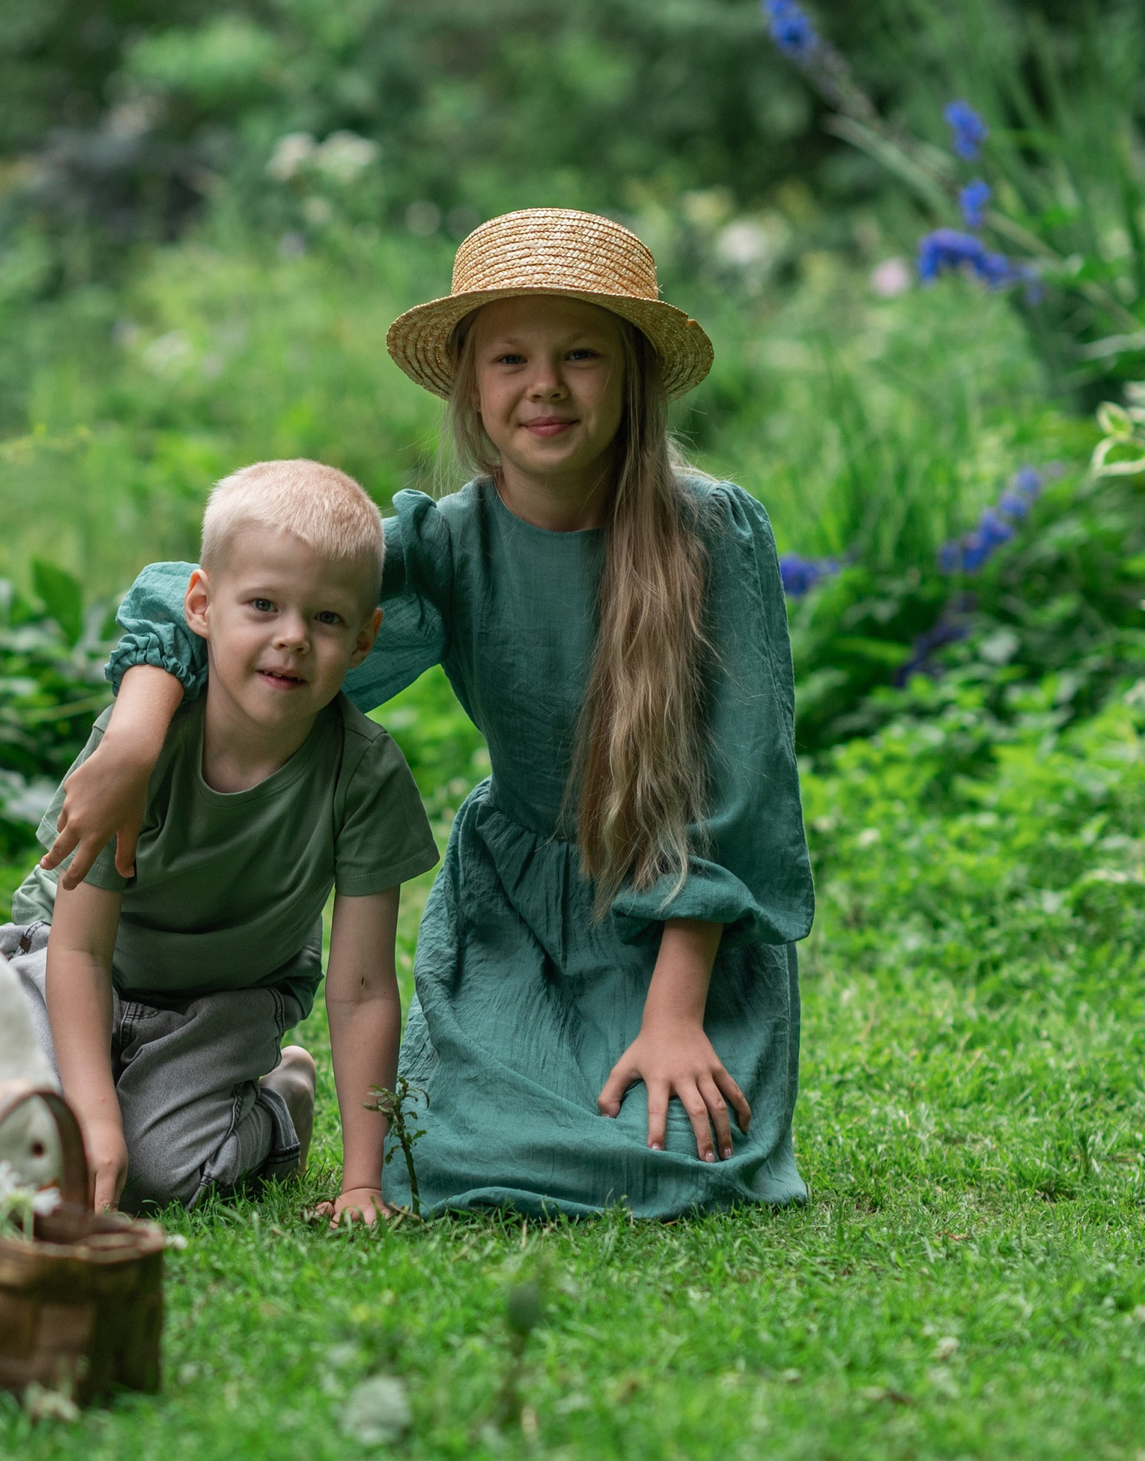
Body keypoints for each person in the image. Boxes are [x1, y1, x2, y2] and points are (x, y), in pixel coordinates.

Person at [43, 208, 814, 1220]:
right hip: (517, 909)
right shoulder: (449, 541)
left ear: (632, 378)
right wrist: (138, 737)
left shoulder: (713, 531)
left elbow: (741, 786)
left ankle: (658, 1036)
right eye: (509, 358)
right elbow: (194, 586)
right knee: (442, 1158)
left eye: (581, 354)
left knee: (664, 1158)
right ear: (469, 387)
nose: (544, 384)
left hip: (678, 921)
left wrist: (674, 1013)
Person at [0, 459, 440, 1222]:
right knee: (31, 1145)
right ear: (201, 605)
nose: (292, 638)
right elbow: (78, 951)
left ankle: (279, 1101)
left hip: (222, 999)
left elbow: (364, 986)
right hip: (69, 964)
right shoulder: (146, 742)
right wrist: (96, 1120)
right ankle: (104, 1098)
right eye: (263, 605)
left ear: (366, 637)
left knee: (161, 1176)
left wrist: (364, 1180)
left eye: (328, 618)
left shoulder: (363, 776)